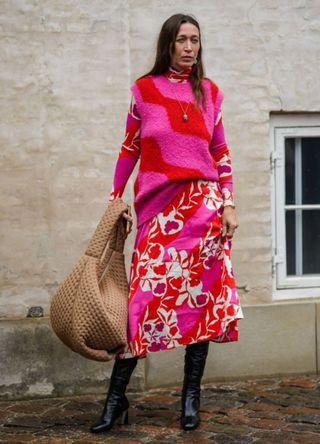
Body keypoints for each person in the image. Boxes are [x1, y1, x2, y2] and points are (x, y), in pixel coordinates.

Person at [90, 13, 244, 433]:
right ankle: (116, 399)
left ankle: (190, 397)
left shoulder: (209, 93)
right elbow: (130, 147)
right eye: (182, 40)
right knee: (139, 303)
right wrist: (115, 196)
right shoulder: (143, 90)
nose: (190, 47)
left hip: (204, 209)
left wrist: (228, 204)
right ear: (168, 45)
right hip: (159, 211)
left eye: (195, 40)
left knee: (198, 300)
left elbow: (221, 152)